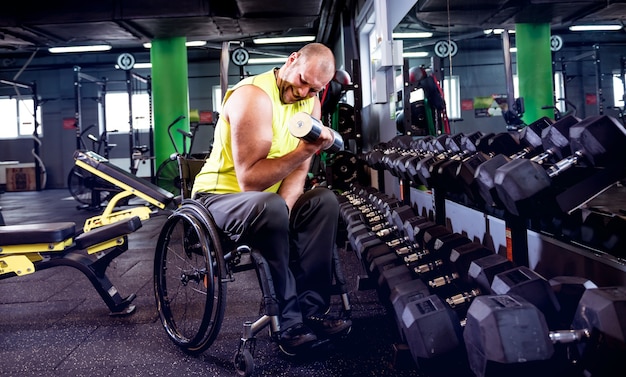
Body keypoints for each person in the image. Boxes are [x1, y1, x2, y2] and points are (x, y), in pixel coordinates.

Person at [191, 42, 352, 354]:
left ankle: (312, 311)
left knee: (323, 202)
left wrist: (288, 214)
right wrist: (305, 150)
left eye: (314, 89)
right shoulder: (253, 97)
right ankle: (288, 324)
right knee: (270, 205)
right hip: (219, 198)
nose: (305, 92)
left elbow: (296, 175)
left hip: (266, 203)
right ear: (291, 61)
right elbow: (249, 181)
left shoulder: (311, 102)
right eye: (303, 81)